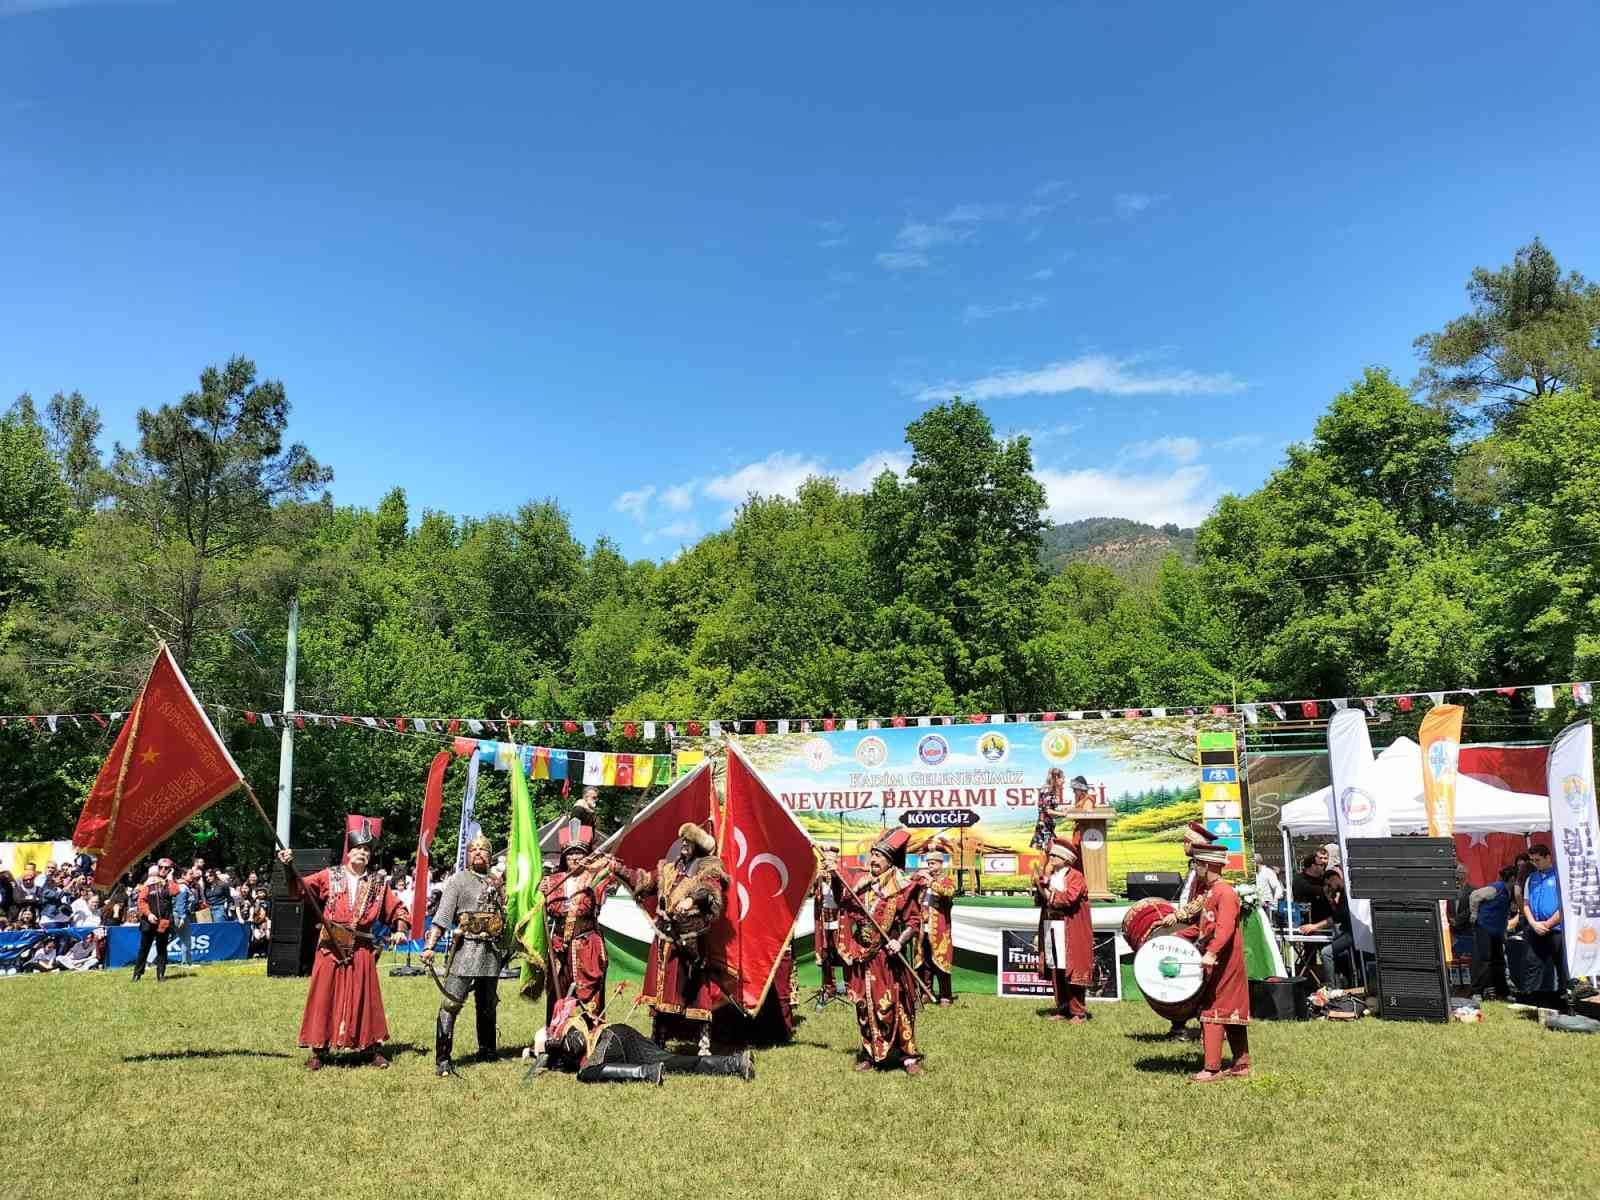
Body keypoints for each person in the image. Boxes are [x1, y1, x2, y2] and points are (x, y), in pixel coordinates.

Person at [277, 827, 411, 1070]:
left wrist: (400, 928)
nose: (362, 853)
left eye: (366, 850)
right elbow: (299, 889)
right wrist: (288, 867)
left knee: (365, 998)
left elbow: (398, 909)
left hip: (361, 947)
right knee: (323, 996)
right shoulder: (329, 875)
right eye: (358, 848)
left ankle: (371, 1048)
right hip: (330, 946)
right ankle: (319, 1050)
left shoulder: (378, 884)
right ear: (348, 853)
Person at [611, 820, 732, 1055]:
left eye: (688, 841)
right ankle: (658, 1040)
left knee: (696, 991)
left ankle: (703, 1043)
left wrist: (691, 899)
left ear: (698, 844)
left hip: (690, 938)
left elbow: (710, 888)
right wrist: (618, 869)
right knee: (661, 990)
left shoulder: (709, 866)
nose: (684, 844)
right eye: (683, 840)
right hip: (664, 936)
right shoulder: (669, 868)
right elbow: (645, 881)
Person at [831, 828, 925, 1075]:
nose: (873, 860)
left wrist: (900, 941)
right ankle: (871, 1054)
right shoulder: (861, 884)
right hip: (863, 956)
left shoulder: (903, 886)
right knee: (865, 1005)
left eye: (879, 856)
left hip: (888, 957)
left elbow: (914, 921)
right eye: (872, 855)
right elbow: (843, 899)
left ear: (890, 861)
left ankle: (908, 1057)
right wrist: (833, 876)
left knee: (896, 1005)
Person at [424, 833, 508, 1078]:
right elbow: (441, 917)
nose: (478, 853)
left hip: (490, 951)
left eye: (483, 849)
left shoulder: (497, 882)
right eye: (474, 849)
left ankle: (487, 1049)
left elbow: (505, 915)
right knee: (451, 1003)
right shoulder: (458, 881)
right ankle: (443, 1057)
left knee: (487, 1004)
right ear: (467, 855)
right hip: (466, 949)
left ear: (490, 856)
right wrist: (430, 945)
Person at [530, 994, 754, 1084]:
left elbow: (576, 1043)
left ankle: (646, 1073)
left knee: (587, 1073)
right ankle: (734, 1063)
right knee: (673, 1061)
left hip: (609, 1039)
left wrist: (552, 1045)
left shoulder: (568, 1026)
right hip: (622, 1037)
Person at [538, 818, 618, 1026]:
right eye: (570, 853)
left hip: (586, 946)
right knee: (558, 994)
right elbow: (546, 909)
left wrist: (597, 864)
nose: (574, 857)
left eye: (579, 853)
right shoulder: (554, 880)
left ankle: (589, 1039)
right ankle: (557, 1038)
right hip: (559, 948)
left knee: (588, 995)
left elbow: (613, 872)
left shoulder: (595, 878)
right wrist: (540, 894)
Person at [1189, 842, 1250, 1083]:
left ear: (1206, 865)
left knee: (1213, 1009)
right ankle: (1241, 1063)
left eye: (1197, 864)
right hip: (1219, 958)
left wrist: (1212, 953)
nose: (1195, 869)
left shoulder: (1225, 893)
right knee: (1230, 1011)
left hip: (1225, 960)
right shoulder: (1213, 891)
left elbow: (1224, 929)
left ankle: (1212, 1068)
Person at [1033, 836, 1092, 1022]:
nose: (1050, 857)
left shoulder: (1076, 876)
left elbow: (1067, 899)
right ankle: (1062, 1007)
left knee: (1071, 968)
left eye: (1055, 855)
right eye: (1051, 854)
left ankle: (1078, 1012)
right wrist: (1038, 885)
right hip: (1052, 925)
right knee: (1056, 967)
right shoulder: (1051, 877)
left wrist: (1045, 890)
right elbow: (1041, 901)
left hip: (1070, 928)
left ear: (1065, 859)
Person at [1520, 843, 1569, 1008]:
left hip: (1556, 930)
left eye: (1538, 860)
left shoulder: (1559, 876)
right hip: (1536, 928)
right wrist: (1533, 923)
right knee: (1532, 964)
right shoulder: (1531, 878)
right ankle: (1530, 1001)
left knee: (1562, 967)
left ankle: (1566, 1002)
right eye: (1533, 860)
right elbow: (1525, 903)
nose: (1535, 863)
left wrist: (1548, 924)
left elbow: (1565, 905)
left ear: (1548, 857)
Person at [914, 839, 957, 1006]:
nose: (930, 866)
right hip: (922, 929)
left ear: (940, 864)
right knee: (924, 962)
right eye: (928, 863)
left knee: (941, 962)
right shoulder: (924, 881)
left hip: (939, 930)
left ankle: (946, 995)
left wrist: (931, 882)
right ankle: (926, 991)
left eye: (932, 863)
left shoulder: (947, 880)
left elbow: (948, 893)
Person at [1468, 865, 1516, 1001]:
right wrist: (1474, 914)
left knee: (1499, 961)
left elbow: (1503, 913)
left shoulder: (1508, 892)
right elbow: (1474, 895)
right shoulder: (1495, 888)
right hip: (1484, 927)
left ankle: (1502, 991)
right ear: (1512, 879)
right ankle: (1476, 992)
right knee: (1483, 959)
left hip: (1497, 931)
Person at [131, 863, 178, 983]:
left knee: (161, 949)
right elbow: (141, 901)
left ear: (169, 870)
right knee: (144, 948)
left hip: (163, 921)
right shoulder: (149, 884)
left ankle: (161, 974)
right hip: (148, 922)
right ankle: (137, 974)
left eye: (166, 868)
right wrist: (148, 914)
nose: (163, 870)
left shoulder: (169, 884)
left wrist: (171, 878)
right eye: (161, 867)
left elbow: (174, 892)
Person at [811, 845, 845, 1007]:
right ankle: (829, 987)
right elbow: (810, 893)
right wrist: (817, 876)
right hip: (824, 921)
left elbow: (846, 892)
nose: (827, 864)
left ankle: (849, 986)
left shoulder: (842, 876)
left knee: (844, 954)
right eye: (824, 861)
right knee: (826, 956)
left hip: (839, 921)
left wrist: (836, 874)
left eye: (830, 861)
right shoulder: (818, 877)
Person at [1318, 869, 1355, 986]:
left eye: (1329, 884)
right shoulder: (1343, 894)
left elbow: (1337, 917)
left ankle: (1330, 987)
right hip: (1348, 931)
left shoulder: (1347, 892)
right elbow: (1337, 914)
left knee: (1326, 953)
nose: (1330, 887)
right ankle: (1339, 983)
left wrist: (1314, 926)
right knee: (1338, 954)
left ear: (1335, 878)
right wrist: (1331, 899)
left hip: (1352, 932)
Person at [1030, 767, 1069, 850]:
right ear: (1056, 778)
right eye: (1063, 778)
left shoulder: (1052, 790)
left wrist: (1061, 811)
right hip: (1044, 828)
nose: (1064, 781)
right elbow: (1048, 811)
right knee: (1047, 855)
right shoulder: (1047, 790)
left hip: (1049, 828)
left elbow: (1050, 809)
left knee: (1049, 856)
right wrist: (1062, 814)